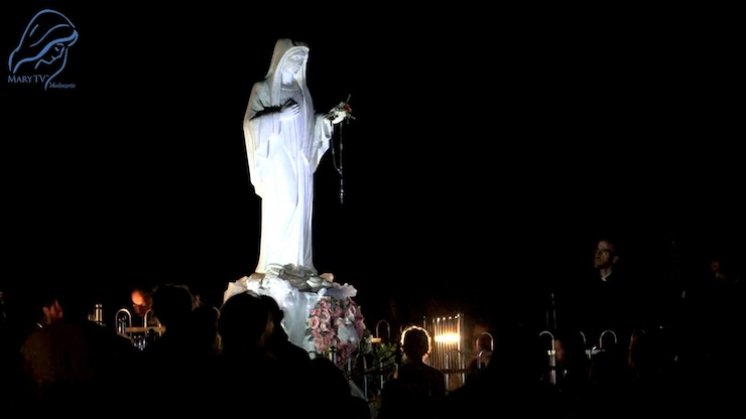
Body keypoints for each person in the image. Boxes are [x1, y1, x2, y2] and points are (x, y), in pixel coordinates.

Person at [243, 38, 346, 277]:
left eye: (302, 60)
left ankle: (297, 263)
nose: (298, 63)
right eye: (295, 58)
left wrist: (327, 120)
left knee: (300, 208)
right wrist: (279, 115)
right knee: (285, 204)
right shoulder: (264, 89)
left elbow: (310, 126)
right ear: (281, 60)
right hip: (278, 157)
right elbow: (250, 125)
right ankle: (276, 263)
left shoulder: (303, 93)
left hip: (300, 160)